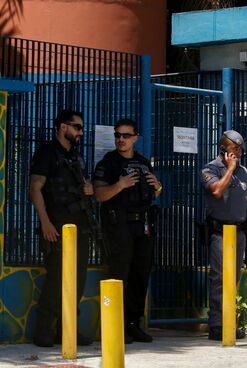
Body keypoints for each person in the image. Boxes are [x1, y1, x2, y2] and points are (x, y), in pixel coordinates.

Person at [29, 109, 95, 347]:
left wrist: (89, 189)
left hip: (80, 226)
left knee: (77, 280)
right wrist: (45, 222)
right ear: (62, 127)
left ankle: (67, 330)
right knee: (57, 279)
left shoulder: (76, 156)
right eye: (76, 127)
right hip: (57, 226)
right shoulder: (47, 153)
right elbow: (35, 187)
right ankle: (44, 331)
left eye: (81, 128)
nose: (80, 132)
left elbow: (82, 188)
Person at [93, 118, 161, 343]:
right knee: (119, 274)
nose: (120, 139)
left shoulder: (143, 162)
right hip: (118, 225)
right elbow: (100, 195)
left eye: (125, 136)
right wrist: (120, 185)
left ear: (135, 138)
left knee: (140, 275)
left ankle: (133, 323)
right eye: (117, 135)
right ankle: (115, 325)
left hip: (142, 225)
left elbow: (155, 193)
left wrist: (158, 186)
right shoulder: (108, 163)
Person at [200, 130, 247, 341]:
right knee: (219, 279)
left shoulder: (243, 171)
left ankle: (229, 321)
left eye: (240, 149)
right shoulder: (211, 169)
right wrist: (230, 168)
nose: (238, 152)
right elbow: (216, 191)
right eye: (234, 149)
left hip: (239, 232)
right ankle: (217, 324)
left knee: (232, 279)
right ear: (223, 149)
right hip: (219, 232)